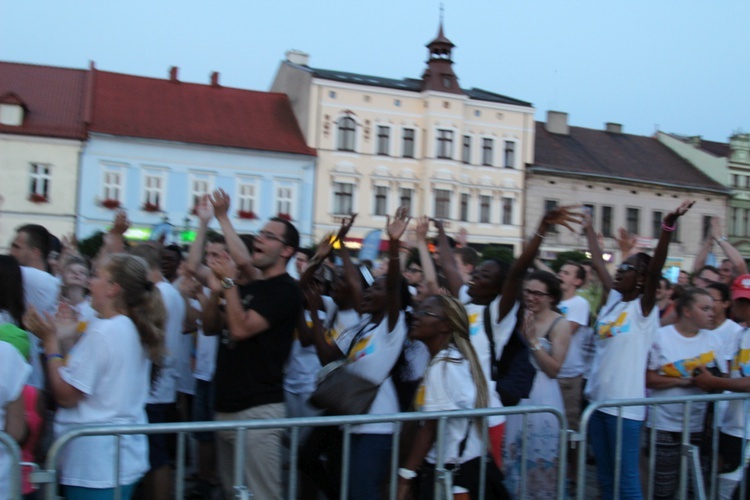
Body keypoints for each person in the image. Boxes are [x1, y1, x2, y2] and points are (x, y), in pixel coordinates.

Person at [23, 253, 166, 499]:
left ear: (113, 288)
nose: (90, 281)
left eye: (96, 276)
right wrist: (64, 336)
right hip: (117, 459)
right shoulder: (126, 325)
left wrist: (50, 344)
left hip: (95, 466)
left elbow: (67, 396)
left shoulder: (106, 330)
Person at [583, 200, 693, 500]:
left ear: (642, 279)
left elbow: (656, 265)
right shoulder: (613, 300)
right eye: (619, 267)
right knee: (605, 478)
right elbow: (596, 261)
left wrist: (668, 226)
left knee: (627, 481)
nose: (619, 272)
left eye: (627, 269)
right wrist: (589, 226)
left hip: (625, 410)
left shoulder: (642, 311)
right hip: (597, 406)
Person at [205, 188, 303, 500]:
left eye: (269, 236)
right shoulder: (250, 285)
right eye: (259, 233)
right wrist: (222, 217)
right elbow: (210, 327)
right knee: (232, 494)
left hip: (258, 411)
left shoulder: (285, 290)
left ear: (286, 250)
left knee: (263, 496)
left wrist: (228, 283)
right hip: (227, 406)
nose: (259, 238)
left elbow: (240, 329)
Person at [398, 294, 507, 500]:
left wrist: (404, 478)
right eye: (417, 310)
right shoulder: (446, 360)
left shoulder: (445, 365)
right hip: (458, 469)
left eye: (425, 313)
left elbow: (430, 428)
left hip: (457, 477)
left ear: (445, 326)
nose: (416, 316)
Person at [645, 288, 725, 498]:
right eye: (705, 308)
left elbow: (721, 380)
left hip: (698, 426)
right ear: (687, 311)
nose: (711, 313)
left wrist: (712, 380)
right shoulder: (661, 337)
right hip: (663, 423)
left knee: (695, 487)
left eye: (712, 308)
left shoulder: (714, 340)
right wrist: (685, 381)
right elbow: (649, 378)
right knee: (663, 487)